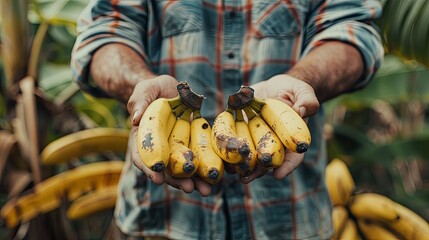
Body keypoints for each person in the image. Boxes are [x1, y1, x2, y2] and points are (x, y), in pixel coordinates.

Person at [71, 0, 384, 239]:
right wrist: (140, 84)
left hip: (291, 221)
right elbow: (103, 34)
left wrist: (301, 80)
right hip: (159, 223)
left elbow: (352, 32)